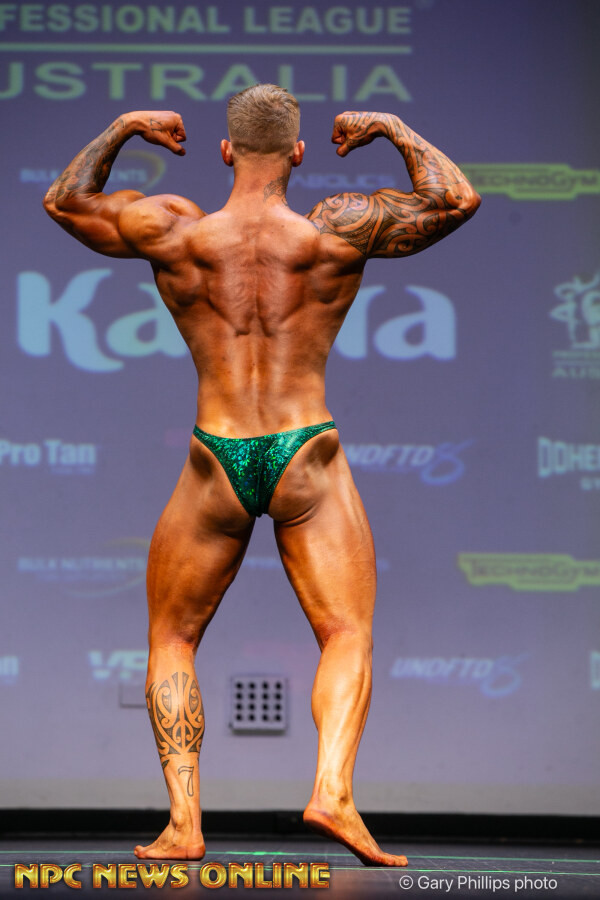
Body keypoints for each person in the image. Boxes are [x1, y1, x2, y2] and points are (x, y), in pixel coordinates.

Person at [44, 84, 480, 866]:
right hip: (303, 448)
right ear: (299, 153)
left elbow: (65, 202)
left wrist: (122, 128)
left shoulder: (176, 229)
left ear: (225, 151)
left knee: (172, 637)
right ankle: (332, 792)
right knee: (345, 632)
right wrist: (393, 128)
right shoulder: (334, 231)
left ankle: (183, 824)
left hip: (217, 452)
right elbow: (456, 200)